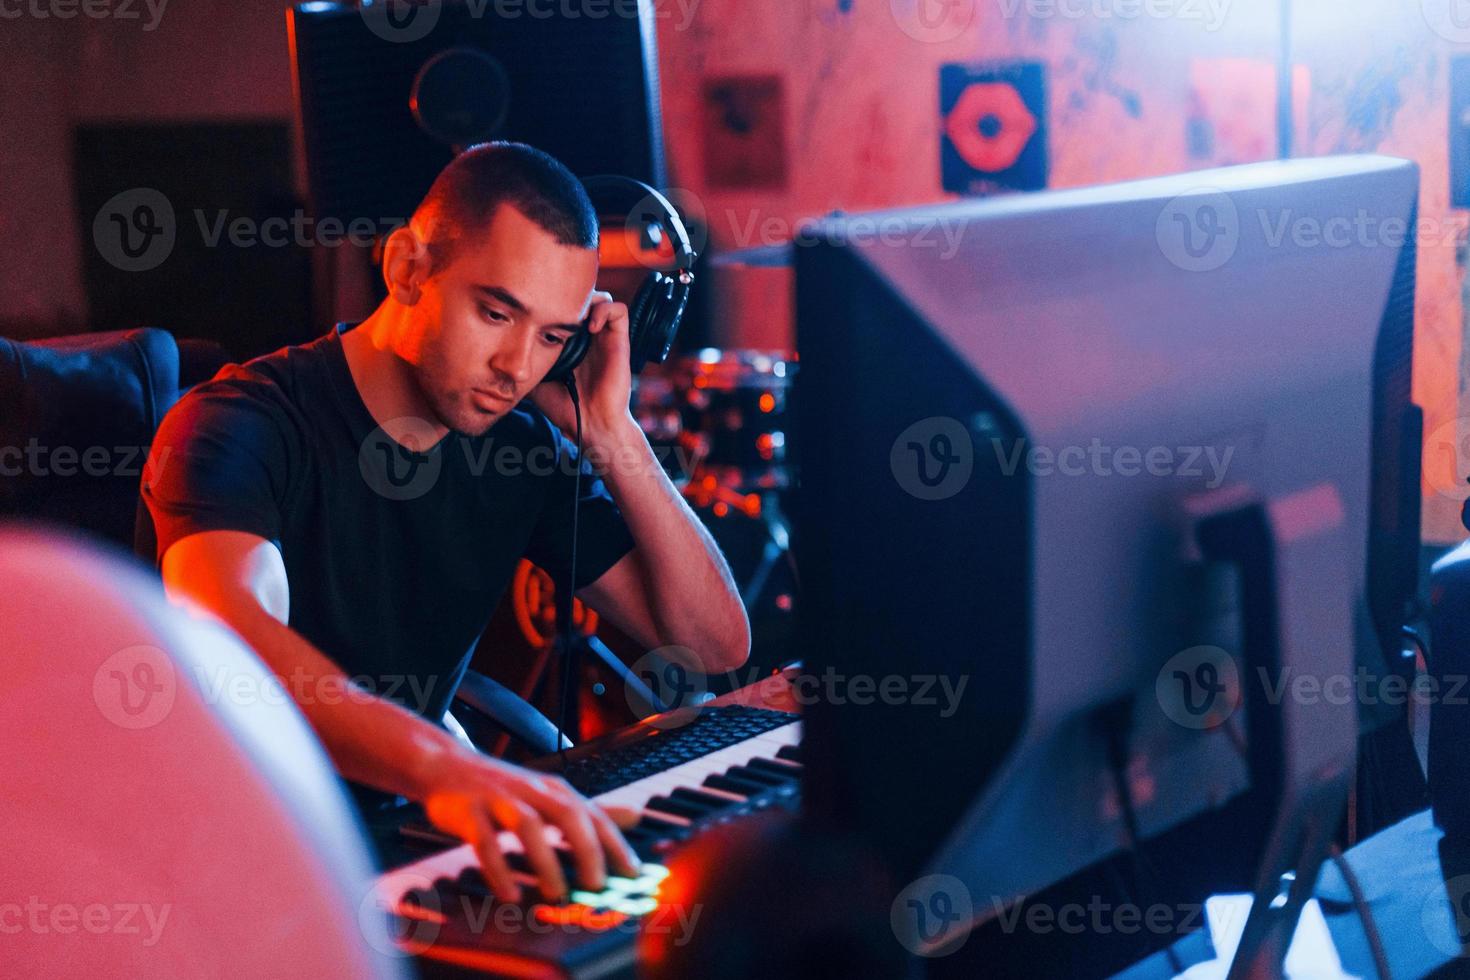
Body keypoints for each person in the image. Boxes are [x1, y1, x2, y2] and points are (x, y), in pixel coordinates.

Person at [140, 141, 751, 904]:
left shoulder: (519, 451)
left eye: (553, 338)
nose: (516, 367)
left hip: (411, 844)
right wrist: (447, 767)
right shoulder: (238, 426)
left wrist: (612, 432)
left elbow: (714, 643)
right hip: (236, 859)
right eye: (497, 313)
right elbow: (229, 640)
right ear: (406, 268)